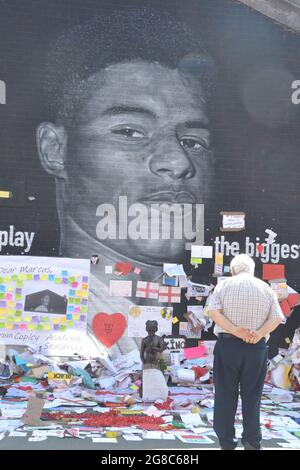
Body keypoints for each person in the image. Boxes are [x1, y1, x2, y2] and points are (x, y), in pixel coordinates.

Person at [37, 8, 216, 358]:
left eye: (194, 141)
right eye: (130, 132)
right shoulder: (31, 317)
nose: (178, 162)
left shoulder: (204, 316)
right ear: (55, 150)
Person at [208, 254, 285, 450]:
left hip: (228, 346)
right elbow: (277, 318)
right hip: (256, 348)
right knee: (253, 396)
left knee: (225, 395)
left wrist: (235, 330)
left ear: (233, 270)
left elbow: (213, 312)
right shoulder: (265, 288)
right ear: (251, 270)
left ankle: (226, 442)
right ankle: (252, 441)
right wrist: (258, 334)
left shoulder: (224, 285)